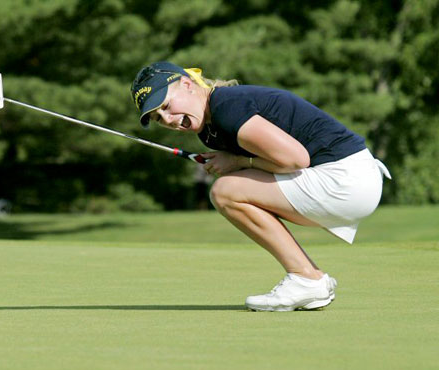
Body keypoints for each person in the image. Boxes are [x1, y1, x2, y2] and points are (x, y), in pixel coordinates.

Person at [130, 62, 391, 312]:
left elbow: (295, 159)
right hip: (352, 179)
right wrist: (236, 163)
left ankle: (306, 278)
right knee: (229, 188)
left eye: (166, 106)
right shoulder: (210, 129)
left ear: (187, 84)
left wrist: (236, 161)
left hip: (346, 179)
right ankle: (310, 279)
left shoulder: (225, 105)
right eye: (158, 117)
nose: (168, 119)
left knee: (225, 192)